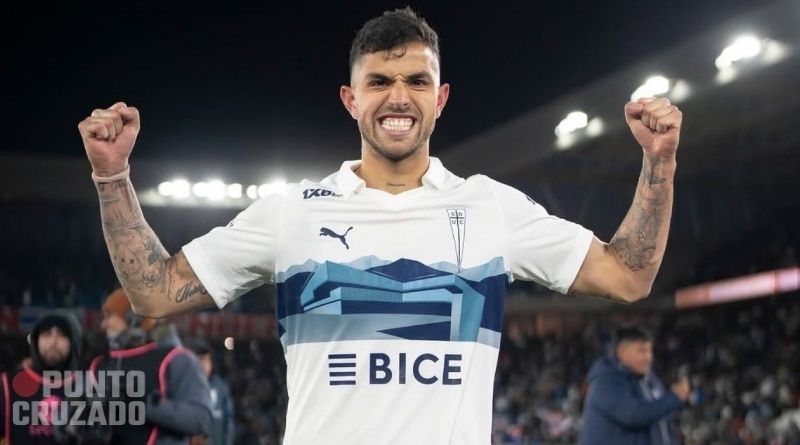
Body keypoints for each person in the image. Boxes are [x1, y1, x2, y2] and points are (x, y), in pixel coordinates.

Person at [77, 7, 683, 445]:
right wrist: (112, 176)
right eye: (380, 82)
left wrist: (659, 162)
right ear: (351, 99)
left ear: (440, 98)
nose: (399, 97)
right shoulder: (292, 211)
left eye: (417, 81)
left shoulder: (491, 207)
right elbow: (155, 291)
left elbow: (628, 276)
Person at [87, 289, 211, 445]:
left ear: (133, 318)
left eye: (109, 316)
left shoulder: (176, 359)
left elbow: (200, 419)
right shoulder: (100, 363)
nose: (104, 324)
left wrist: (145, 404)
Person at [579, 326, 689, 445]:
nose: (648, 357)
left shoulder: (648, 379)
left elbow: (660, 419)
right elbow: (633, 416)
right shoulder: (606, 381)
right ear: (622, 352)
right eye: (641, 351)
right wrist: (674, 398)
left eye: (650, 351)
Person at [0, 309, 82, 444]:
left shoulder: (90, 386)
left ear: (74, 342)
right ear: (36, 340)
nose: (53, 342)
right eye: (46, 334)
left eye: (62, 335)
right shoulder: (7, 385)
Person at [189, 342, 233, 445]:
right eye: (200, 359)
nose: (204, 364)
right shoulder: (186, 385)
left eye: (208, 360)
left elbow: (228, 420)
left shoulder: (220, 386)